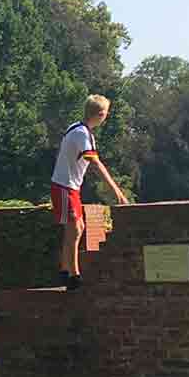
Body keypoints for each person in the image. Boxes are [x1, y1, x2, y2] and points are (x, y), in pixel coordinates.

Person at [51, 95, 128, 292]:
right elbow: (95, 163)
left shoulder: (78, 128)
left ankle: (65, 271)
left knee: (77, 227)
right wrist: (117, 192)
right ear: (100, 114)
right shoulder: (81, 134)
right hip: (64, 185)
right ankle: (73, 276)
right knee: (75, 228)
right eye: (106, 113)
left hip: (69, 186)